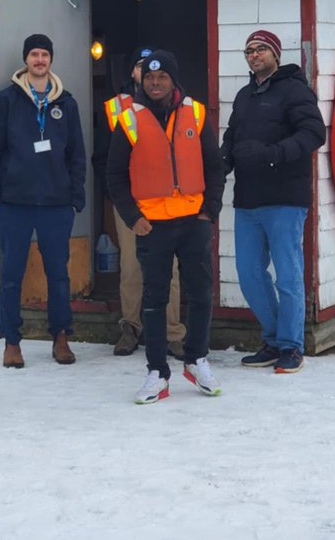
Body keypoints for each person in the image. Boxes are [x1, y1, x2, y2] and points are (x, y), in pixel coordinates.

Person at [105, 50, 225, 404]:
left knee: (201, 294)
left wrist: (210, 211)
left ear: (174, 80)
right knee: (155, 300)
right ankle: (157, 372)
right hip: (152, 226)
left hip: (193, 222)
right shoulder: (129, 120)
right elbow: (114, 174)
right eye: (149, 78)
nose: (155, 83)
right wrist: (132, 218)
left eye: (162, 78)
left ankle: (197, 359)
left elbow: (215, 167)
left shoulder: (196, 114)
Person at [221, 29, 326, 374]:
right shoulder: (243, 96)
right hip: (247, 199)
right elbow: (232, 138)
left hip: (284, 198)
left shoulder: (295, 90)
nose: (254, 55)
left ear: (276, 54)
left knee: (288, 275)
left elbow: (314, 133)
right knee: (249, 273)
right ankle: (273, 339)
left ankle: (291, 346)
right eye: (249, 50)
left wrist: (272, 155)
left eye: (261, 49)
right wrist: (219, 166)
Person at [0, 34, 86, 368]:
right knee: (11, 274)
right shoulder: (8, 101)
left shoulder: (65, 102)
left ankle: (61, 337)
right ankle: (12, 341)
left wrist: (75, 198)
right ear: (26, 59)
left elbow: (77, 155)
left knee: (58, 275)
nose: (39, 60)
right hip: (15, 203)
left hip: (57, 204)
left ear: (51, 60)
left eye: (44, 55)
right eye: (34, 55)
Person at [94, 46, 185, 358]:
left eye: (156, 71)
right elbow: (105, 159)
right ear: (134, 74)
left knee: (169, 270)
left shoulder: (179, 108)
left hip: (169, 205)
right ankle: (130, 328)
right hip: (131, 204)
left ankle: (173, 333)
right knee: (131, 268)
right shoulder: (116, 109)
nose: (149, 76)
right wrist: (117, 200)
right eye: (142, 68)